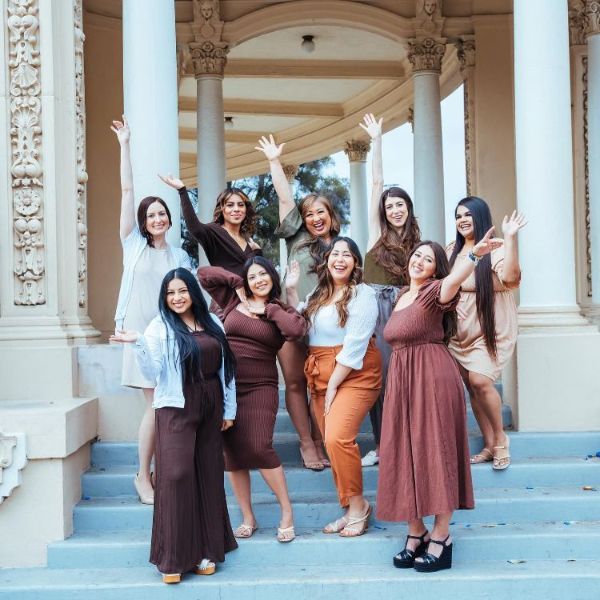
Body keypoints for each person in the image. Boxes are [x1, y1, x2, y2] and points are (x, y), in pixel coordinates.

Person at [377, 234, 502, 573]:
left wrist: (473, 255)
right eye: (416, 255)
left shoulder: (435, 291)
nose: (419, 261)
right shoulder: (403, 295)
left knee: (438, 450)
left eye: (428, 259)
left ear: (435, 269)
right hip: (402, 382)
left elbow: (454, 280)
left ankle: (441, 537)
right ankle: (415, 531)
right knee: (405, 452)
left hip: (432, 379)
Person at [110, 268, 237, 584]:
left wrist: (229, 408)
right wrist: (138, 343)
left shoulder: (213, 323)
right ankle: (173, 558)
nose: (177, 298)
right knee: (176, 474)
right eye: (170, 293)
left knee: (208, 474)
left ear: (192, 293)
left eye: (182, 291)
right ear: (165, 298)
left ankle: (207, 550)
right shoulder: (159, 327)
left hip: (211, 403)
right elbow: (153, 372)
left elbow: (226, 370)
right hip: (176, 406)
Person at [198, 257, 308, 543]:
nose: (258, 280)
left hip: (261, 387)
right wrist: (237, 283)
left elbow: (296, 331)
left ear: (272, 277)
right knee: (231, 454)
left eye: (263, 274)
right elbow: (204, 275)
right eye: (253, 276)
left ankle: (286, 512)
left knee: (259, 447)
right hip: (227, 386)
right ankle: (248, 517)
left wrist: (269, 308)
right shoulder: (234, 301)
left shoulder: (279, 310)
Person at [111, 117, 192, 505]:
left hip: (170, 336)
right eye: (151, 215)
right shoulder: (133, 246)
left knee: (166, 405)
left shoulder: (180, 256)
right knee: (154, 403)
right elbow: (127, 190)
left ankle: (158, 470)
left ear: (169, 219)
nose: (157, 219)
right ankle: (143, 475)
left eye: (162, 214)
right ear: (143, 223)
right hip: (137, 332)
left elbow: (189, 300)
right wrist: (125, 143)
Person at [256, 135, 343, 471]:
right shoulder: (298, 238)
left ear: (331, 215)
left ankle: (322, 440)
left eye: (320, 212)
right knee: (294, 381)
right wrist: (274, 161)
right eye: (308, 214)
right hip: (291, 318)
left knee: (321, 385)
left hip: (329, 325)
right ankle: (307, 444)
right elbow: (284, 197)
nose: (314, 218)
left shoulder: (343, 247)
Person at [286, 238, 382, 537]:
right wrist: (291, 289)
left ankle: (359, 506)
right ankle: (350, 506)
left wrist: (331, 388)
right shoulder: (319, 292)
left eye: (347, 255)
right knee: (330, 441)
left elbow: (354, 347)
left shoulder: (363, 294)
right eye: (335, 254)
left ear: (355, 263)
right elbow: (301, 325)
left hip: (353, 371)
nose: (340, 259)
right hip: (319, 367)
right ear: (327, 260)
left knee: (339, 437)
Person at [358, 113, 421, 467]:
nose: (395, 209)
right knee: (380, 378)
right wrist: (377, 141)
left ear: (408, 209)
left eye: (400, 205)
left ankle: (409, 442)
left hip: (408, 310)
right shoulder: (375, 236)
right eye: (390, 205)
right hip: (377, 312)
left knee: (408, 378)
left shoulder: (419, 244)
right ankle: (383, 445)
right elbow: (377, 182)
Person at [447, 199, 526, 470]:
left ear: (480, 216)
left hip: (490, 330)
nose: (463, 219)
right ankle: (489, 444)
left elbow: (511, 278)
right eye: (458, 216)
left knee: (480, 381)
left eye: (468, 214)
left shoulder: (496, 247)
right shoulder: (451, 251)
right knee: (471, 385)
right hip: (458, 334)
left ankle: (501, 438)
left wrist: (511, 238)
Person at [158, 174, 261, 283]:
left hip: (252, 298)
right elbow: (195, 228)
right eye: (230, 205)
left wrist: (257, 252)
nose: (236, 209)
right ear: (222, 209)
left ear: (246, 209)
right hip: (227, 299)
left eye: (240, 205)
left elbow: (257, 271)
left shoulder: (248, 240)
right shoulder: (213, 232)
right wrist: (182, 191)